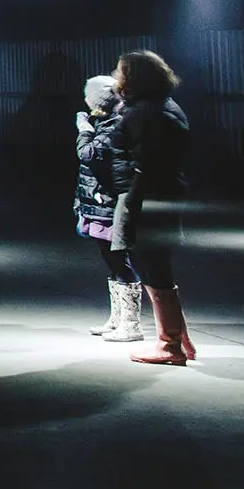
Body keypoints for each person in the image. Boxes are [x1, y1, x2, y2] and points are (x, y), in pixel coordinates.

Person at [107, 51, 195, 366]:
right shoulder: (167, 106)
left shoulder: (145, 112)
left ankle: (169, 344)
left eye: (121, 73)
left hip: (149, 194)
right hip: (165, 191)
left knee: (152, 266)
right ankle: (178, 337)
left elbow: (135, 154)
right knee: (157, 265)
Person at [73, 75, 141, 342]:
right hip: (98, 201)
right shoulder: (103, 121)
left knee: (120, 260)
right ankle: (117, 318)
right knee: (110, 261)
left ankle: (131, 324)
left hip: (110, 203)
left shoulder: (114, 124)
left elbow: (89, 154)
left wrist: (84, 130)